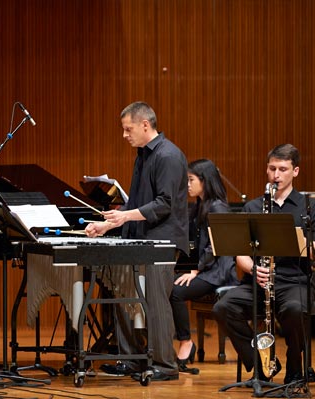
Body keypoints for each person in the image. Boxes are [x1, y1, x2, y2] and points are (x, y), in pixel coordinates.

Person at [85, 101, 188, 381]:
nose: (124, 135)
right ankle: (132, 359)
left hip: (162, 242)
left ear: (145, 125)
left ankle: (165, 366)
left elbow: (165, 204)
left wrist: (124, 217)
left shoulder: (167, 156)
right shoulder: (143, 155)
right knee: (123, 296)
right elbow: (139, 202)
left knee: (155, 303)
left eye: (128, 129)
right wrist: (109, 224)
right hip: (141, 240)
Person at [212, 143, 315, 384]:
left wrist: (296, 239)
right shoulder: (253, 207)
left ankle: (296, 369)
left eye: (283, 169)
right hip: (260, 280)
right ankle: (262, 362)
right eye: (272, 168)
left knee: (295, 310)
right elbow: (240, 253)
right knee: (223, 308)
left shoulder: (311, 207)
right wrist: (254, 269)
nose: (276, 175)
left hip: (294, 281)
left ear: (295, 171)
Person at [169, 159, 239, 373]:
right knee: (164, 284)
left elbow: (214, 248)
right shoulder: (200, 205)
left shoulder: (218, 208)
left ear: (204, 181)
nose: (187, 185)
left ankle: (186, 343)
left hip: (219, 273)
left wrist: (194, 270)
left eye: (191, 180)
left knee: (175, 292)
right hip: (205, 268)